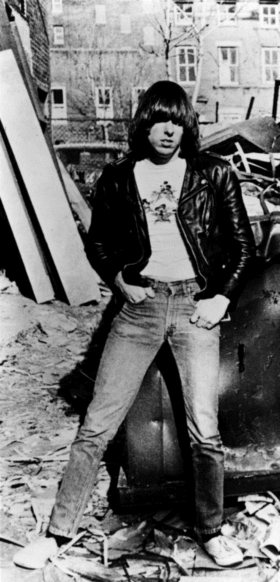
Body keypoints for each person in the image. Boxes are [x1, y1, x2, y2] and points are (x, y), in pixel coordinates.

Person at [13, 80, 254, 569]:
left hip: (194, 306)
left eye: (177, 121)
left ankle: (211, 529)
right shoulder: (119, 177)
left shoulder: (213, 174)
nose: (168, 130)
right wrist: (120, 279)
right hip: (140, 310)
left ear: (186, 126)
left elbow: (243, 246)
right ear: (145, 124)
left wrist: (221, 297)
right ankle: (58, 533)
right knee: (96, 426)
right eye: (159, 120)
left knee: (204, 430)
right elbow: (98, 243)